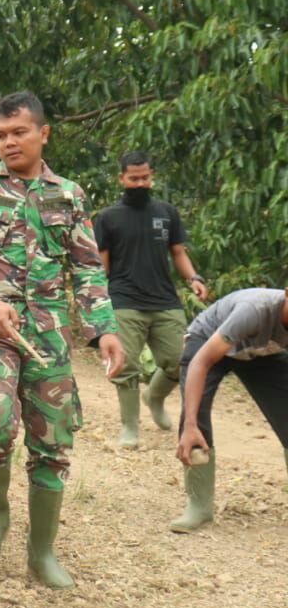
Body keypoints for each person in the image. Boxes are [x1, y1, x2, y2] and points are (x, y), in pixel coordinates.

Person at [0, 91, 125, 590]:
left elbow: (88, 268)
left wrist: (105, 328)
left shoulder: (68, 195)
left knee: (53, 439)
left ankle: (41, 552)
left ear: (43, 133)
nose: (8, 143)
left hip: (48, 333)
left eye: (19, 132)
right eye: (0, 135)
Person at [94, 151, 209, 448]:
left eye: (145, 177)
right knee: (126, 364)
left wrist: (194, 279)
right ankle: (130, 427)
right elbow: (100, 265)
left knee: (180, 360)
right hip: (124, 299)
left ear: (151, 176)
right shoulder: (108, 218)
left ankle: (154, 397)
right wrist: (97, 302)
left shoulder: (166, 212)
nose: (140, 183)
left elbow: (178, 253)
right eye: (134, 178)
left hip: (164, 299)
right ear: (121, 179)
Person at [171, 288, 288, 533]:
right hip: (208, 341)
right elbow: (201, 362)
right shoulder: (254, 310)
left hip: (260, 351)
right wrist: (190, 424)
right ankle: (199, 505)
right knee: (196, 415)